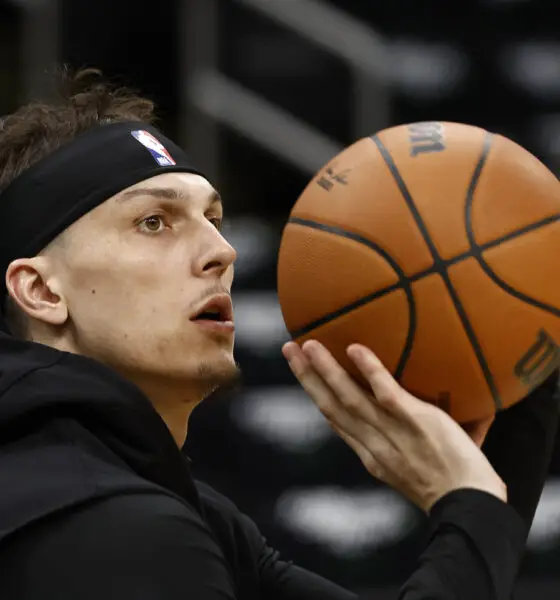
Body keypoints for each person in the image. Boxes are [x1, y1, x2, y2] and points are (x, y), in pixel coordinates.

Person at [0, 68, 557, 600]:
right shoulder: (111, 527)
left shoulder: (155, 506)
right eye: (154, 222)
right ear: (41, 291)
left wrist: (521, 384)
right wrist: (471, 506)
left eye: (213, 220)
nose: (223, 252)